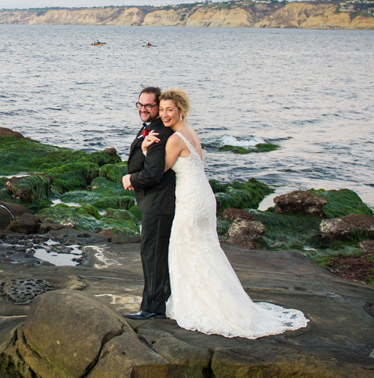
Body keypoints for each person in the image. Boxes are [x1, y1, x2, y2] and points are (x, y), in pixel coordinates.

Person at [140, 88, 308, 338]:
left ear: (180, 110)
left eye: (169, 110)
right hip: (203, 196)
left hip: (190, 200)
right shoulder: (190, 132)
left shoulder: (175, 139)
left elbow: (158, 170)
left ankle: (204, 306)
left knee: (185, 248)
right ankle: (214, 299)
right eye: (161, 109)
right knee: (204, 249)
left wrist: (145, 148)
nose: (164, 114)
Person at [120, 86, 176, 320]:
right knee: (155, 254)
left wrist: (130, 179)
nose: (143, 109)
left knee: (152, 255)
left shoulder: (159, 134)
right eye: (140, 104)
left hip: (158, 203)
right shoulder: (150, 130)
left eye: (149, 105)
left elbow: (153, 174)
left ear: (158, 106)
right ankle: (160, 301)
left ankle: (152, 308)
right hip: (155, 202)